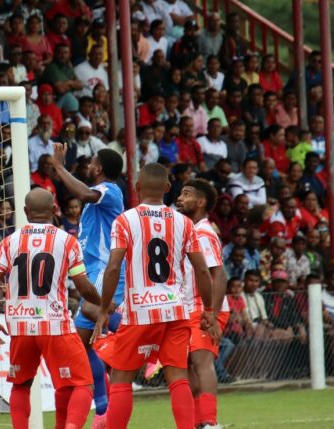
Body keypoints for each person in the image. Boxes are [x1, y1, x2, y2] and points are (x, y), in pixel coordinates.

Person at [92, 162, 216, 429]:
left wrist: (103, 309)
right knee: (178, 377)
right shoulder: (184, 223)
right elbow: (203, 271)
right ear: (168, 188)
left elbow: (113, 267)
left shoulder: (125, 220)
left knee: (122, 379)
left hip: (140, 311)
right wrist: (207, 309)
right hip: (176, 309)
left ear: (136, 188)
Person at [0, 188, 101, 429]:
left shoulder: (9, 242)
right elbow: (83, 286)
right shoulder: (67, 241)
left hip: (21, 326)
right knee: (82, 384)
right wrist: (105, 303)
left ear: (26, 212)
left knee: (21, 384)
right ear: (54, 209)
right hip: (55, 325)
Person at [51, 142, 124, 428]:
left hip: (104, 267)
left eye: (92, 161)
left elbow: (83, 192)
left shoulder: (111, 191)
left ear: (100, 168)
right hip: (92, 267)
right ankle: (103, 409)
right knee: (82, 345)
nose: (89, 164)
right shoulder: (101, 197)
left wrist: (59, 168)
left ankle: (142, 335)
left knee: (95, 311)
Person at [176, 179, 228, 429]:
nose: (179, 198)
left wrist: (213, 314)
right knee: (185, 366)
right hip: (187, 307)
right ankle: (199, 421)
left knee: (201, 362)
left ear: (201, 201)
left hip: (203, 306)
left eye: (186, 194)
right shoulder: (189, 230)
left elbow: (218, 275)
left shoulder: (203, 233)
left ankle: (209, 422)